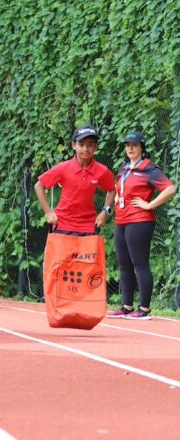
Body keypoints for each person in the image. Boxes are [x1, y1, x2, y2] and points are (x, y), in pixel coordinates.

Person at [106, 132, 176, 320]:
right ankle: (126, 306)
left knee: (140, 264)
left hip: (140, 220)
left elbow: (170, 188)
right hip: (121, 220)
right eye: (127, 145)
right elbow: (119, 188)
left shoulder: (149, 169)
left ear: (142, 148)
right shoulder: (124, 167)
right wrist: (116, 199)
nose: (130, 148)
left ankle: (144, 309)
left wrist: (150, 205)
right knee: (124, 264)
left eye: (134, 145)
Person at [34, 126, 116, 235]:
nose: (85, 149)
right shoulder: (63, 168)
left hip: (89, 226)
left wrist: (105, 212)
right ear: (73, 145)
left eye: (90, 145)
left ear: (96, 147)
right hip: (62, 225)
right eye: (81, 144)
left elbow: (112, 190)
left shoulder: (102, 171)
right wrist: (48, 212)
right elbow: (39, 185)